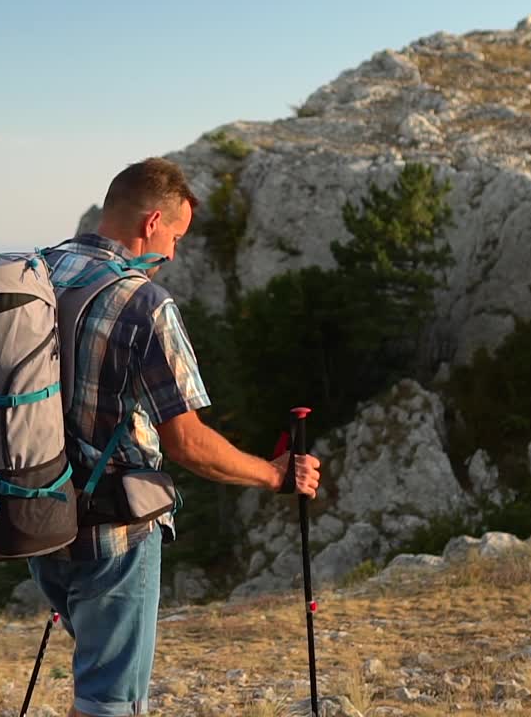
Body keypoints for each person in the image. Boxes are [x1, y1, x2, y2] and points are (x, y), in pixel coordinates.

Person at [29, 157, 322, 717]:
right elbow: (186, 442)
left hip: (37, 522)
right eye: (176, 236)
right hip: (112, 533)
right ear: (152, 222)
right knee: (110, 703)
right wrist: (275, 475)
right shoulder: (143, 304)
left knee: (96, 683)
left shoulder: (38, 272)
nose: (174, 252)